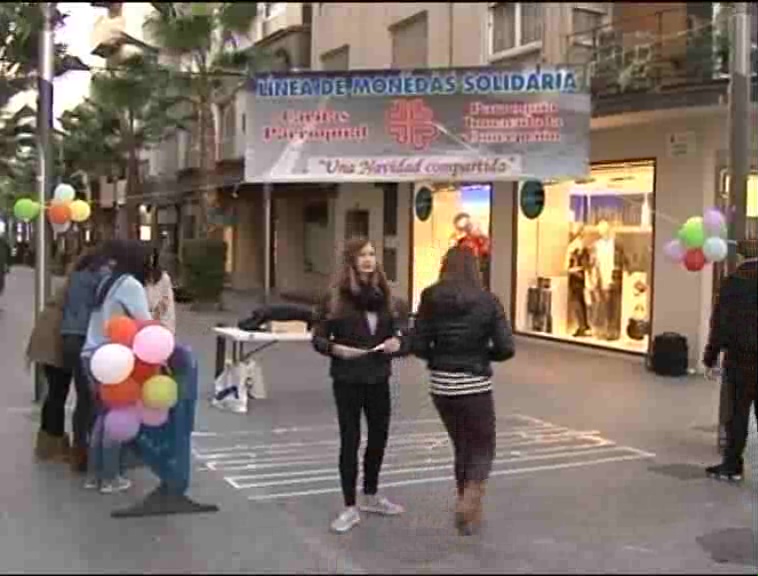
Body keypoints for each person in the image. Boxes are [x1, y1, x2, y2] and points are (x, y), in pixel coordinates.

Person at [411, 246, 515, 535]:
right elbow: (506, 348)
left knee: (462, 446)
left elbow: (418, 345)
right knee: (483, 446)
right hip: (475, 384)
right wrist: (482, 356)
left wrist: (437, 358)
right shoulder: (488, 301)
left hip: (442, 385)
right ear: (475, 269)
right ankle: (470, 500)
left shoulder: (429, 297)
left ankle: (467, 514)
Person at [312, 237, 410, 534]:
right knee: (350, 440)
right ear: (351, 261)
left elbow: (404, 336)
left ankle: (371, 494)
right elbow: (318, 338)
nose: (369, 259)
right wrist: (336, 350)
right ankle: (349, 506)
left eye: (372, 254)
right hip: (347, 379)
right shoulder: (335, 297)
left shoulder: (387, 296)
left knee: (379, 437)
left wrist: (398, 343)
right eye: (362, 254)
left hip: (378, 376)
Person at [82, 240, 153, 494]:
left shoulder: (108, 282)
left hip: (90, 356)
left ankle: (94, 475)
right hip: (112, 358)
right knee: (115, 418)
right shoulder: (130, 285)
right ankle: (110, 477)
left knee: (102, 416)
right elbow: (145, 323)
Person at [704, 239, 758, 482]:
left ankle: (732, 463)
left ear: (740, 258)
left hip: (740, 360)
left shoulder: (733, 284)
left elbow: (720, 323)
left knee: (737, 413)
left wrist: (711, 355)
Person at [60, 245, 113, 473]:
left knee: (83, 398)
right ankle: (91, 451)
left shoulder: (75, 276)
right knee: (92, 398)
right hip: (86, 339)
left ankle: (78, 449)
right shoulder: (99, 277)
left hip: (69, 337)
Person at [26, 277, 72, 462]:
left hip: (47, 334)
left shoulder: (72, 280)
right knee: (58, 392)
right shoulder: (81, 282)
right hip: (55, 337)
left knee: (54, 391)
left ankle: (46, 442)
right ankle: (54, 444)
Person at [145, 247, 176, 333]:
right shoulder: (137, 277)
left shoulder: (163, 277)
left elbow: (167, 300)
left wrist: (156, 316)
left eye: (152, 256)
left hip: (161, 322)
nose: (150, 260)